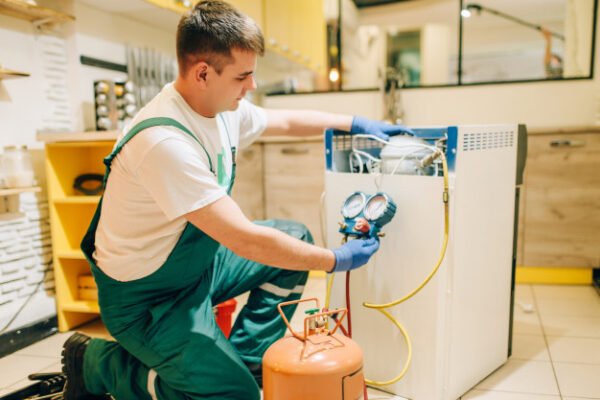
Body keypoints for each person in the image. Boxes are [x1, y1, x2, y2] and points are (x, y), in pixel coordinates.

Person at [61, 1, 412, 399]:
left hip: (196, 269)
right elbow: (244, 239)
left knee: (294, 239)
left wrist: (355, 124)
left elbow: (284, 122)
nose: (252, 87)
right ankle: (99, 364)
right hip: (148, 300)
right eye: (243, 76)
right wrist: (335, 261)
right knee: (236, 397)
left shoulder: (219, 107)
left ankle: (239, 362)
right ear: (203, 73)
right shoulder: (164, 142)